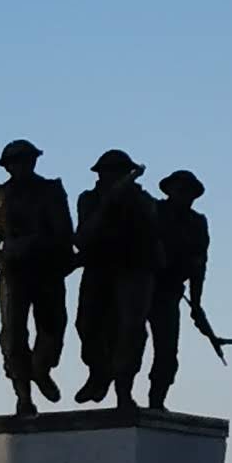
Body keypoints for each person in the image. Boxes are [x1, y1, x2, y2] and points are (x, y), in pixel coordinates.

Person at [0, 140, 76, 415]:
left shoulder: (51, 190)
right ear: (8, 167)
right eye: (15, 162)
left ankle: (41, 369)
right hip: (15, 270)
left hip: (48, 268)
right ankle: (23, 394)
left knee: (53, 326)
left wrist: (64, 257)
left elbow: (66, 230)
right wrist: (0, 261)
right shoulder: (0, 195)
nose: (21, 166)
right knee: (13, 334)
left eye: (26, 160)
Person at [72, 150, 160, 408]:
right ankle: (99, 373)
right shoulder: (89, 199)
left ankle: (124, 389)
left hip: (132, 271)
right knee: (86, 325)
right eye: (107, 172)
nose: (110, 176)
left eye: (117, 172)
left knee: (129, 331)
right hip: (99, 269)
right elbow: (83, 236)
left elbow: (151, 235)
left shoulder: (143, 201)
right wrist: (109, 202)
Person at [146, 168, 212, 414]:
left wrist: (196, 304)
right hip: (143, 287)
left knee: (167, 352)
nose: (184, 195)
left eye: (189, 192)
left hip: (169, 293)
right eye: (180, 189)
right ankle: (125, 396)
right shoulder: (153, 211)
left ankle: (156, 402)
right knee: (131, 342)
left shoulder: (197, 223)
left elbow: (199, 265)